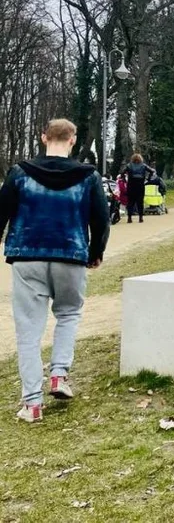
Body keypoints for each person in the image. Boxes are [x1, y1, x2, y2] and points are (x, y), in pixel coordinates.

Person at [0, 118, 110, 423]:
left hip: (27, 256)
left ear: (43, 137)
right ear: (73, 140)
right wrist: (95, 252)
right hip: (70, 255)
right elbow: (101, 219)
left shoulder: (20, 173)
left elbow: (2, 211)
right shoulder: (88, 177)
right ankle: (59, 375)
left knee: (28, 330)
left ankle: (32, 403)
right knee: (69, 314)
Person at [123, 153, 154, 223]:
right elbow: (152, 171)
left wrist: (124, 179)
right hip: (140, 185)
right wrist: (148, 179)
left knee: (130, 202)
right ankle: (140, 217)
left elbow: (122, 172)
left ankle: (129, 218)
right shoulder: (143, 165)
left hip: (131, 185)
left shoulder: (129, 165)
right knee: (140, 202)